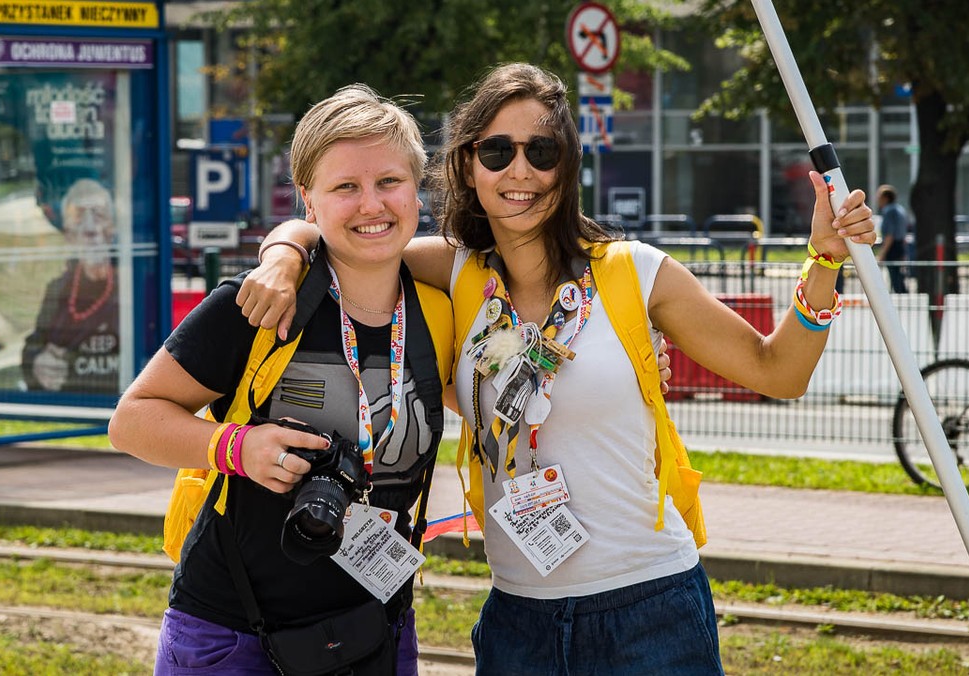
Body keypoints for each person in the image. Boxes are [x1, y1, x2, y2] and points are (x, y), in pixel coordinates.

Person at [239, 63, 875, 675]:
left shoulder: (635, 272)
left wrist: (822, 258)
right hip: (518, 621)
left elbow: (778, 372)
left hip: (650, 611)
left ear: (567, 165)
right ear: (466, 162)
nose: (521, 171)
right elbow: (351, 228)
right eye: (497, 152)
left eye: (542, 152)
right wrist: (285, 253)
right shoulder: (457, 272)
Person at [109, 85, 453, 675]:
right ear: (308, 203)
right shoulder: (260, 304)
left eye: (390, 182)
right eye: (346, 186)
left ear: (416, 190)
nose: (372, 204)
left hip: (378, 627)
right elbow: (131, 420)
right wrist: (236, 447)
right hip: (233, 633)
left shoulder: (442, 311)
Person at [22, 178, 120, 393]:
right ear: (68, 235)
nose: (90, 228)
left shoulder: (130, 289)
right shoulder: (58, 289)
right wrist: (38, 363)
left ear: (111, 230)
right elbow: (35, 343)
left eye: (99, 215)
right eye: (79, 217)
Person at [875, 183, 910, 293]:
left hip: (892, 247)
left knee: (895, 278)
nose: (877, 200)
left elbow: (889, 235)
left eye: (879, 197)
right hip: (900, 246)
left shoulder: (889, 211)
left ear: (885, 198)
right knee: (899, 277)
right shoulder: (900, 210)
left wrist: (882, 254)